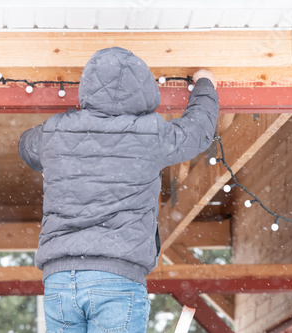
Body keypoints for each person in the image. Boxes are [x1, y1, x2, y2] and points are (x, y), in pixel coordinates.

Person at [18, 47, 219, 333]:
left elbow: (26, 146)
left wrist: (59, 142)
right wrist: (204, 83)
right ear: (145, 92)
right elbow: (198, 131)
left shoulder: (56, 133)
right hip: (116, 278)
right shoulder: (152, 135)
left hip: (61, 278)